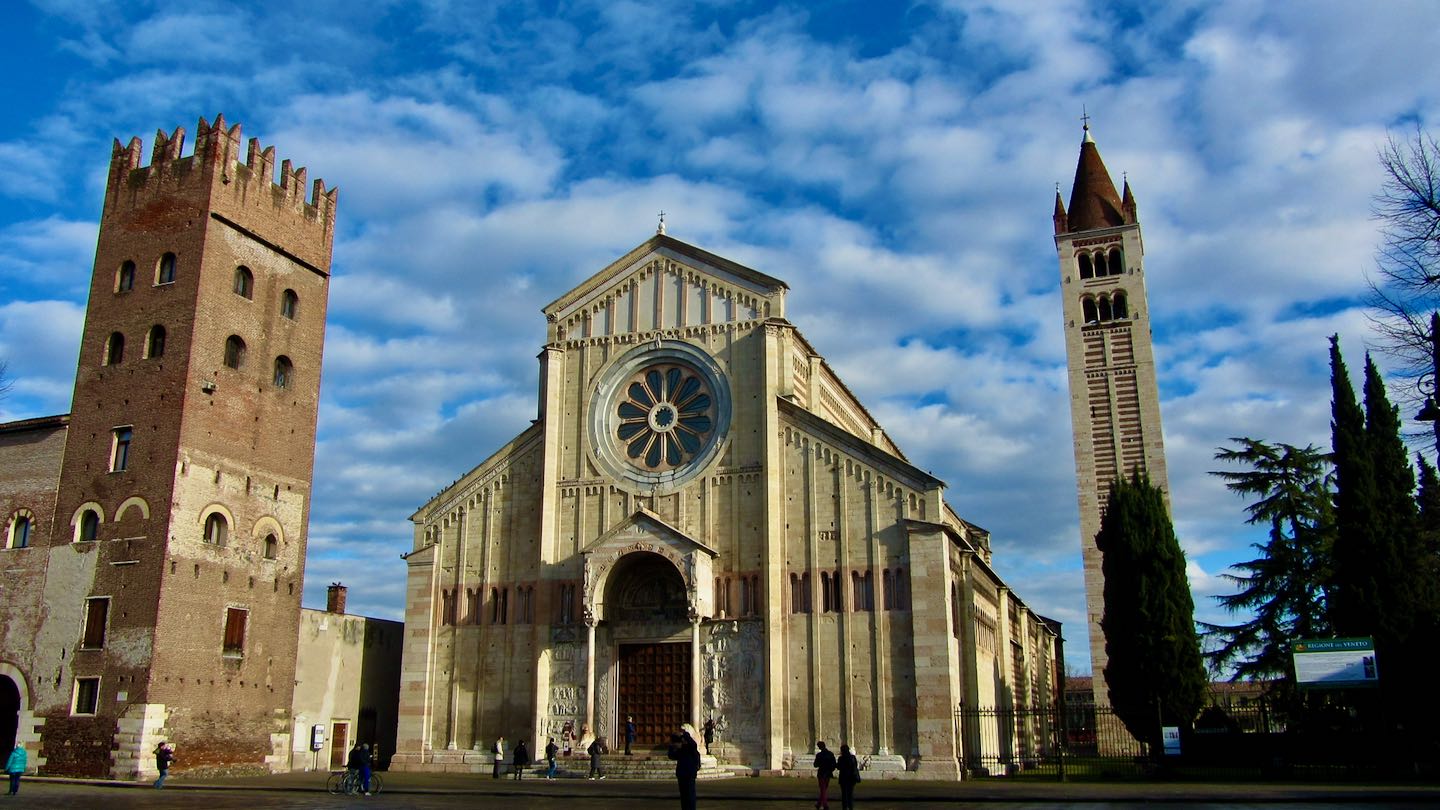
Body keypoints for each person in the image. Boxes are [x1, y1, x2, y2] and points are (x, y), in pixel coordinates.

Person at [668, 725, 701, 810]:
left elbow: (693, 744)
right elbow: (671, 755)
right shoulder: (681, 750)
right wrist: (672, 745)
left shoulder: (691, 748)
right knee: (684, 796)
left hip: (689, 774)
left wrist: (684, 734)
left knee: (690, 795)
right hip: (682, 774)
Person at [813, 740, 837, 810]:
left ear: (819, 747)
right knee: (824, 789)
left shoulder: (819, 755)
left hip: (821, 773)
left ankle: (825, 805)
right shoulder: (830, 754)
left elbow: (815, 765)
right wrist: (830, 770)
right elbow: (834, 764)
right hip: (828, 773)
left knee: (823, 789)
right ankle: (819, 804)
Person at [837, 743, 860, 810]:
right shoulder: (853, 757)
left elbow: (838, 767)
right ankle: (850, 807)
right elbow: (855, 766)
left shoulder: (841, 758)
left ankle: (844, 807)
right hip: (851, 778)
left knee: (844, 794)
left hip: (843, 778)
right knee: (850, 794)